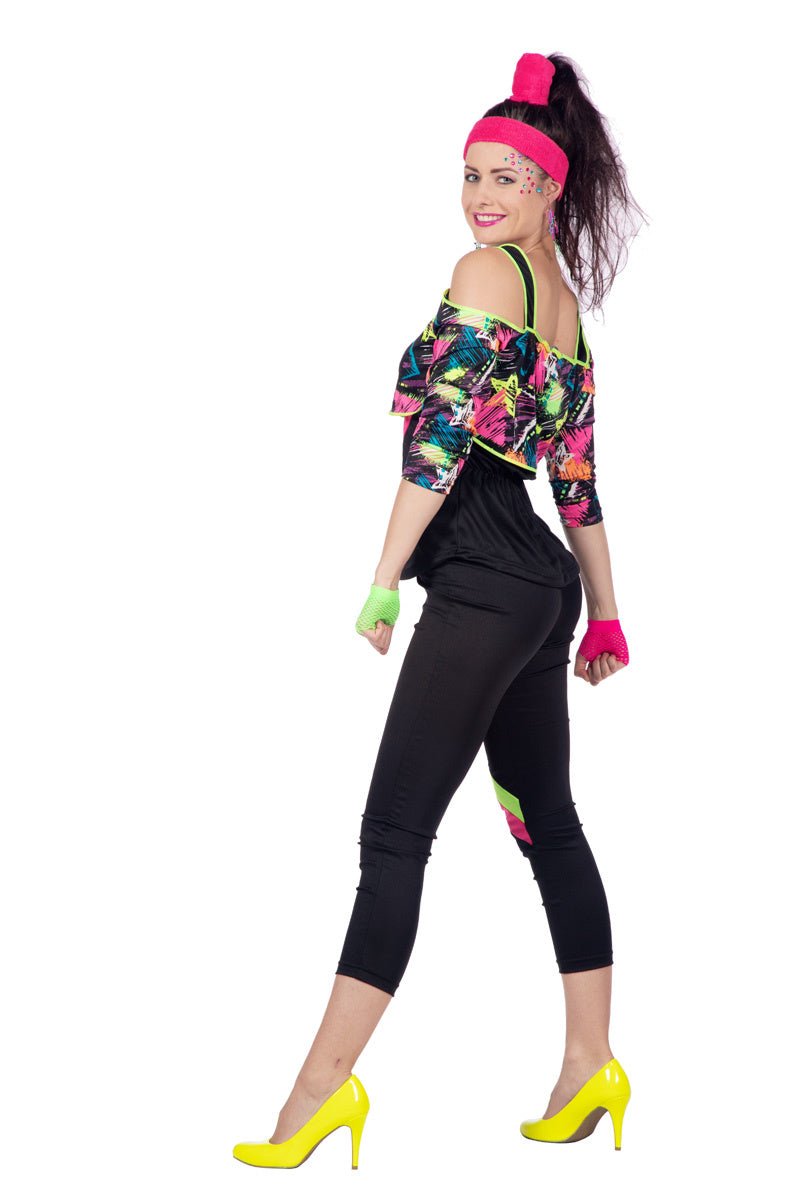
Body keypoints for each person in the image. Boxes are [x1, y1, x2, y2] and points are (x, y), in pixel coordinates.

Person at [233, 50, 646, 1170]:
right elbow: (575, 484)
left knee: (394, 833)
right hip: (538, 587)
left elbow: (441, 440)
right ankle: (589, 1062)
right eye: (471, 174)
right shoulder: (565, 312)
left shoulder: (483, 274)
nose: (481, 196)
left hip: (480, 580)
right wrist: (603, 614)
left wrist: (383, 576)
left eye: (507, 177)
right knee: (545, 820)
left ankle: (319, 1092)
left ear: (549, 186)